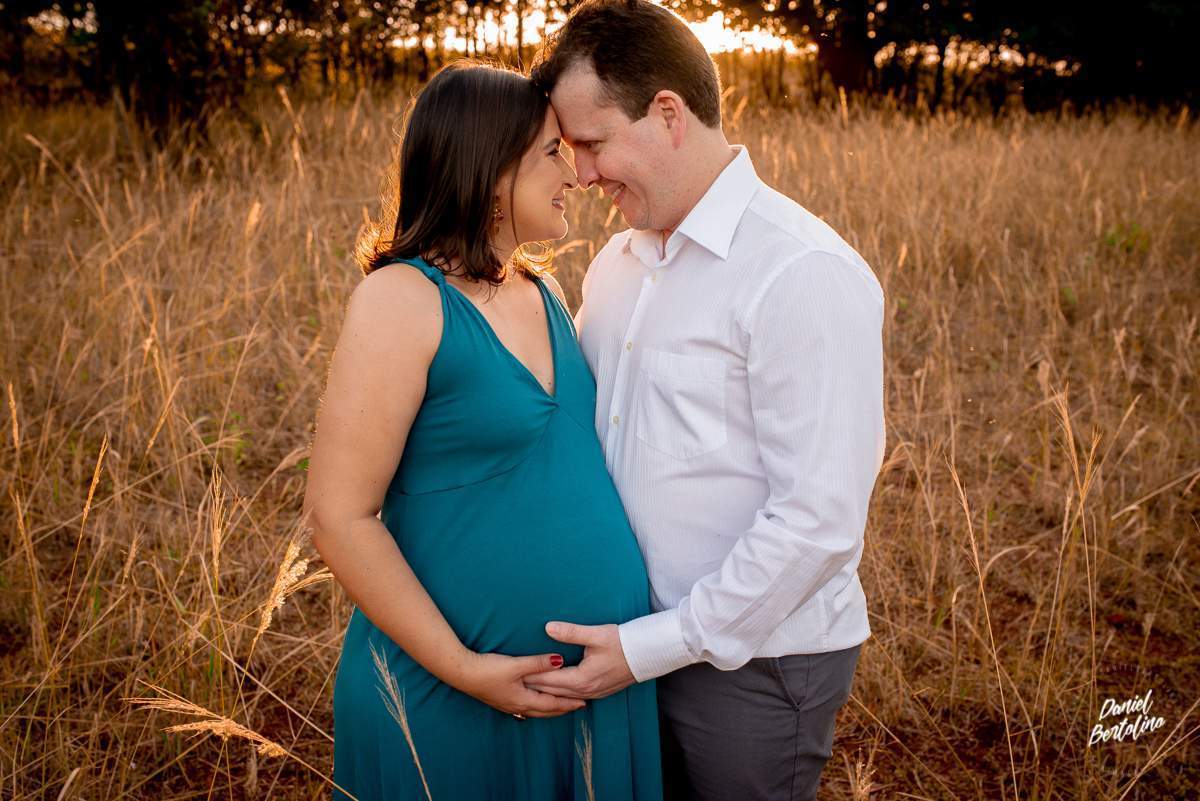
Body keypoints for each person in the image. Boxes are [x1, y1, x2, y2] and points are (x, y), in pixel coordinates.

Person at [523, 3, 887, 799]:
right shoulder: (618, 262)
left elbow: (817, 522)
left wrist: (655, 644)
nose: (580, 175)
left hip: (756, 663)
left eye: (593, 143)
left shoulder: (801, 273)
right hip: (629, 645)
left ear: (667, 115)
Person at [302, 60, 664, 801]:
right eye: (551, 152)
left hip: (594, 690)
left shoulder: (549, 290)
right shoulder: (401, 299)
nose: (577, 173)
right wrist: (468, 670)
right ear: (491, 168)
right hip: (451, 698)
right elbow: (338, 516)